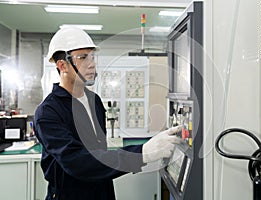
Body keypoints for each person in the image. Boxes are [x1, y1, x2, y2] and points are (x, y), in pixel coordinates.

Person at [33, 27, 181, 200]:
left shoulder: (94, 100)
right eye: (82, 57)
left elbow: (99, 154)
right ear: (62, 65)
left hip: (102, 191)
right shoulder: (48, 112)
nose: (91, 64)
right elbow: (78, 161)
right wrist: (142, 153)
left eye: (92, 56)